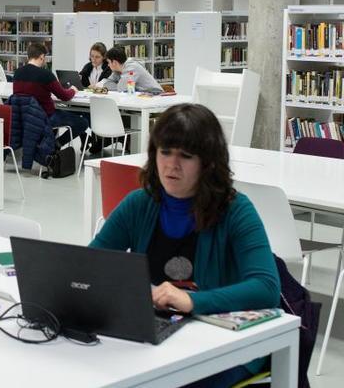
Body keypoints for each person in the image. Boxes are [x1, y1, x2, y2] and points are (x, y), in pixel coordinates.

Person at [90, 103, 280, 387]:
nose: (171, 164)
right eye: (164, 152)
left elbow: (267, 287)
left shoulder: (236, 210)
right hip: (157, 335)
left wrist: (193, 301)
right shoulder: (139, 204)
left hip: (221, 346)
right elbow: (90, 264)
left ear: (208, 162)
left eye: (186, 156)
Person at [13, 42, 88, 149]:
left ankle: (47, 144)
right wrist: (73, 90)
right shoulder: (46, 74)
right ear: (42, 57)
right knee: (82, 122)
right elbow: (64, 96)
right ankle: (57, 144)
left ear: (28, 56)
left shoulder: (17, 73)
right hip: (45, 117)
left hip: (24, 117)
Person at [98, 46, 163, 94]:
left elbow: (122, 88)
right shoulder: (117, 70)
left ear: (114, 62)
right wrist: (118, 86)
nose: (108, 65)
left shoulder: (131, 68)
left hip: (154, 95)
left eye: (109, 62)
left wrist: (118, 87)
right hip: (141, 96)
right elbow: (107, 83)